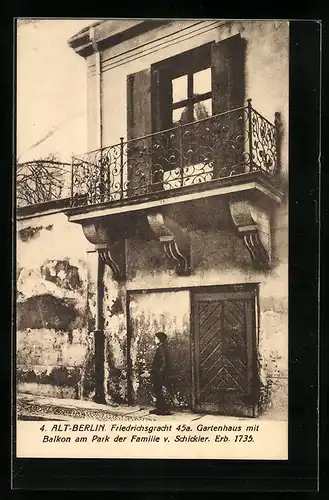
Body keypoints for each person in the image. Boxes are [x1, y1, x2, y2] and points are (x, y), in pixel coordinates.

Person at [149, 332, 171, 415]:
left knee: (159, 391)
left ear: (159, 339)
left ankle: (162, 409)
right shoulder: (161, 348)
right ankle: (159, 408)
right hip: (157, 373)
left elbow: (164, 362)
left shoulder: (162, 348)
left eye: (155, 338)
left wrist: (160, 373)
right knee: (157, 390)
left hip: (159, 374)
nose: (154, 340)